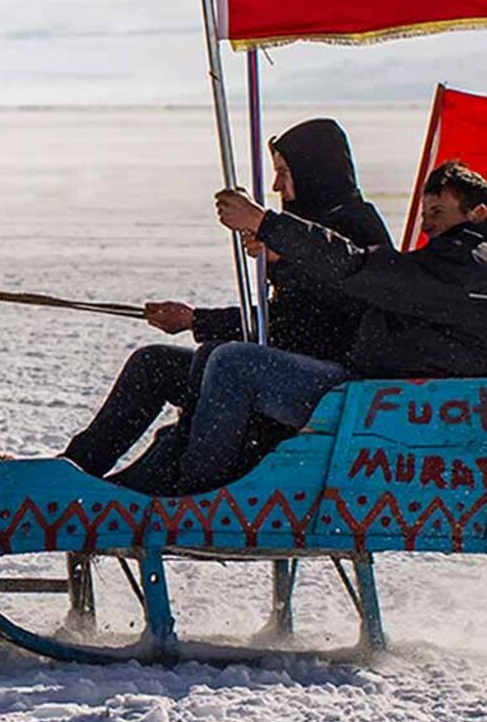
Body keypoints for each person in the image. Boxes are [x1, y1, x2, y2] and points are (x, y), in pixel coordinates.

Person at [62, 119, 387, 487]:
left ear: (315, 171)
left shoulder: (356, 226)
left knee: (227, 360)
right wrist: (194, 320)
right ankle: (75, 469)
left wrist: (283, 264)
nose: (278, 184)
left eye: (284, 172)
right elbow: (281, 320)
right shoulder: (305, 226)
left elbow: (341, 310)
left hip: (332, 386)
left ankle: (192, 486)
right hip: (282, 369)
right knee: (154, 363)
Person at [182, 159, 487, 492]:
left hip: (382, 409)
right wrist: (282, 262)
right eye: (424, 214)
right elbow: (358, 294)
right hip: (397, 401)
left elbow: (355, 267)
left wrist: (265, 222)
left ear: (478, 214)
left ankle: (199, 495)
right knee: (218, 355)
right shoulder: (450, 266)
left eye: (438, 213)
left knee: (233, 363)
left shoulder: (461, 268)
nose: (426, 225)